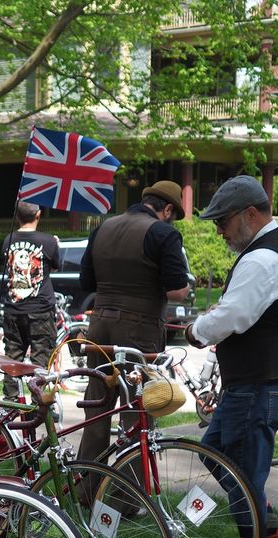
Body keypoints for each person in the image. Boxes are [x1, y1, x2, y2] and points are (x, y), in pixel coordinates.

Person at [185, 175, 278, 538]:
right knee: (219, 453)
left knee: (240, 470)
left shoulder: (262, 258)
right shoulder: (269, 251)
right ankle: (272, 532)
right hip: (263, 381)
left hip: (261, 384)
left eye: (223, 221)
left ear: (251, 214)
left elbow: (233, 316)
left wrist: (195, 330)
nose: (220, 231)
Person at [77, 180, 191, 462]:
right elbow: (176, 290)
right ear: (167, 209)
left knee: (98, 409)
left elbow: (86, 282)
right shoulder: (163, 234)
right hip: (139, 332)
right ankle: (125, 500)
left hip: (99, 329)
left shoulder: (102, 228)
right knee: (137, 411)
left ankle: (87, 488)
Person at [0, 201, 61, 399]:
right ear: (38, 215)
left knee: (12, 358)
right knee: (41, 358)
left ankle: (10, 402)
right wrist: (55, 245)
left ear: (17, 217)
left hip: (13, 309)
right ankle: (38, 404)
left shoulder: (8, 239)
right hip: (40, 309)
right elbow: (56, 266)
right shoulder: (49, 241)